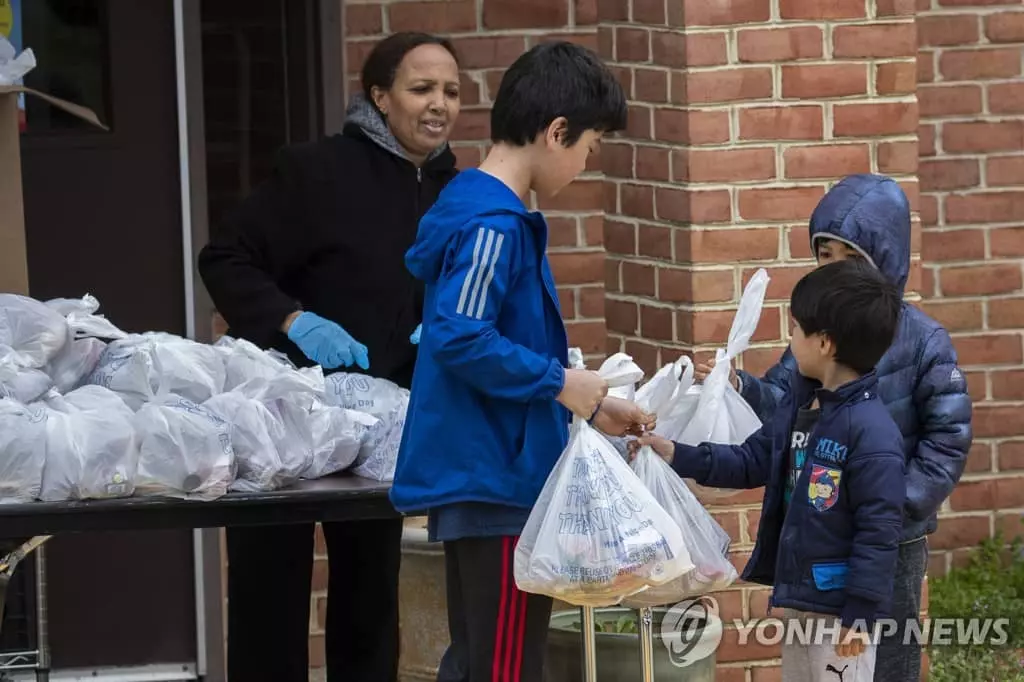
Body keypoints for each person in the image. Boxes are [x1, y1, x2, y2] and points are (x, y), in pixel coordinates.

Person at [196, 32, 463, 682]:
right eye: (421, 88)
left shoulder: (454, 191)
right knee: (269, 594)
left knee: (371, 597)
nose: (439, 105)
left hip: (377, 426)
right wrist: (294, 319)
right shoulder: (318, 171)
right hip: (282, 415)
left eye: (451, 92)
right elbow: (225, 257)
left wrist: (442, 329)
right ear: (379, 96)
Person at [388, 41, 652, 682]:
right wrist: (560, 382)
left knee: (481, 661)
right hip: (496, 482)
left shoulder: (486, 213)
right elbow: (458, 334)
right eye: (589, 150)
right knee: (504, 668)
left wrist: (588, 401)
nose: (586, 166)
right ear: (557, 132)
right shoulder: (494, 225)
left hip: (490, 473)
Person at [694, 174, 972, 682]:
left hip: (892, 538)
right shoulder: (813, 340)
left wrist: (890, 507)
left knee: (886, 651)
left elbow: (946, 440)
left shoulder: (926, 342)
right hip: (824, 538)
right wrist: (737, 386)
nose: (835, 271)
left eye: (851, 259)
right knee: (826, 660)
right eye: (825, 257)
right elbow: (782, 407)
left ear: (884, 261)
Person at [635, 259, 906, 682]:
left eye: (796, 328)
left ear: (825, 344)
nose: (790, 337)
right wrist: (675, 452)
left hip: (840, 612)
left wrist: (861, 611)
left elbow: (879, 529)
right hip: (800, 595)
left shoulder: (872, 433)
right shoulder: (797, 409)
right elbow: (748, 460)